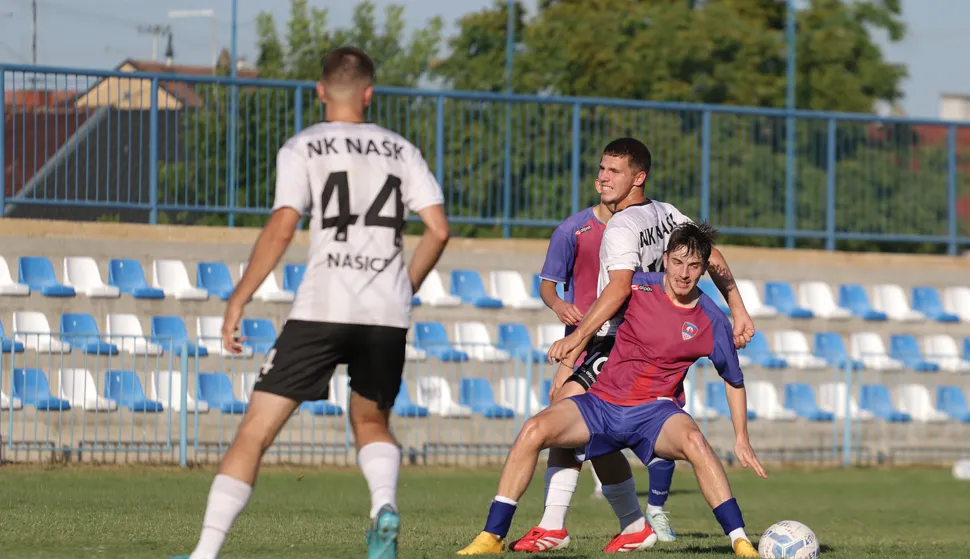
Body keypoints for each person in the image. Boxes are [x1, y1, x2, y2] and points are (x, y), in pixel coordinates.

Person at [174, 46, 450, 559]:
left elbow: (283, 227)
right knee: (371, 422)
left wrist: (238, 299)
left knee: (254, 433)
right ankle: (383, 506)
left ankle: (204, 553)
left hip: (323, 307)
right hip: (385, 314)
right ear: (370, 94)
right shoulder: (401, 149)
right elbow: (438, 229)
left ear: (320, 91)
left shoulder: (304, 146)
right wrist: (403, 286)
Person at [457, 222, 766, 557]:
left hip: (656, 412)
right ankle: (493, 535)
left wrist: (741, 438)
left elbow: (733, 381)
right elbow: (594, 321)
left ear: (704, 268)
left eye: (693, 266)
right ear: (665, 259)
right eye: (677, 262)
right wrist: (568, 361)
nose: (683, 273)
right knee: (533, 429)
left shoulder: (712, 319)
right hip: (602, 403)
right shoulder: (634, 286)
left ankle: (740, 540)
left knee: (695, 442)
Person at [511, 138, 754, 552]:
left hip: (619, 336)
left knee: (566, 412)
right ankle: (629, 525)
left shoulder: (634, 222)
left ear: (638, 178)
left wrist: (578, 338)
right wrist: (738, 307)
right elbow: (550, 287)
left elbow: (624, 286)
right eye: (602, 169)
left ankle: (560, 526)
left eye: (614, 171)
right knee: (578, 422)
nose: (602, 177)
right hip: (605, 332)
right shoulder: (581, 227)